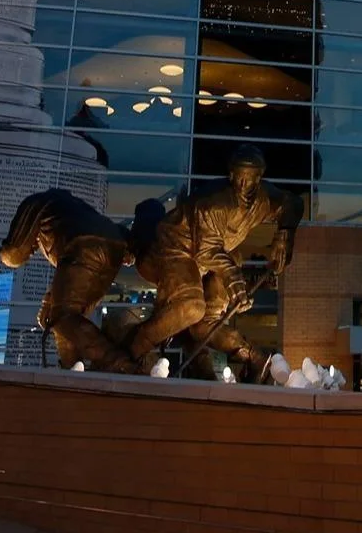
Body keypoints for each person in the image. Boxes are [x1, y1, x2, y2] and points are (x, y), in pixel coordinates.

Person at [126, 145, 302, 377]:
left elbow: (293, 203)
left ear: (259, 178)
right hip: (178, 249)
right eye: (239, 177)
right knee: (190, 307)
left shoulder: (264, 199)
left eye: (250, 179)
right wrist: (234, 281)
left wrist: (284, 235)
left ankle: (253, 357)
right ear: (231, 175)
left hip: (215, 258)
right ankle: (128, 351)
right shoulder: (212, 202)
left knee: (204, 325)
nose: (243, 185)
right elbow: (206, 249)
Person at [0, 189, 136, 372]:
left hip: (84, 245)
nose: (34, 249)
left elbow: (14, 254)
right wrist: (50, 302)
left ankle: (124, 366)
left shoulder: (37, 202)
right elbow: (66, 279)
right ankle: (71, 369)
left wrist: (1, 252)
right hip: (112, 248)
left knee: (62, 317)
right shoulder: (68, 207)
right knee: (67, 321)